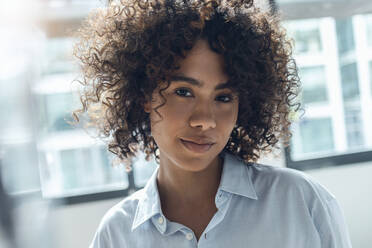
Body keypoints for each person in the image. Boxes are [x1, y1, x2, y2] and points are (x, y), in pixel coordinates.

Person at [73, 0, 353, 247]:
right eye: (183, 92)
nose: (205, 120)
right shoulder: (117, 235)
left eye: (224, 97)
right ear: (144, 95)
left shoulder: (302, 203)